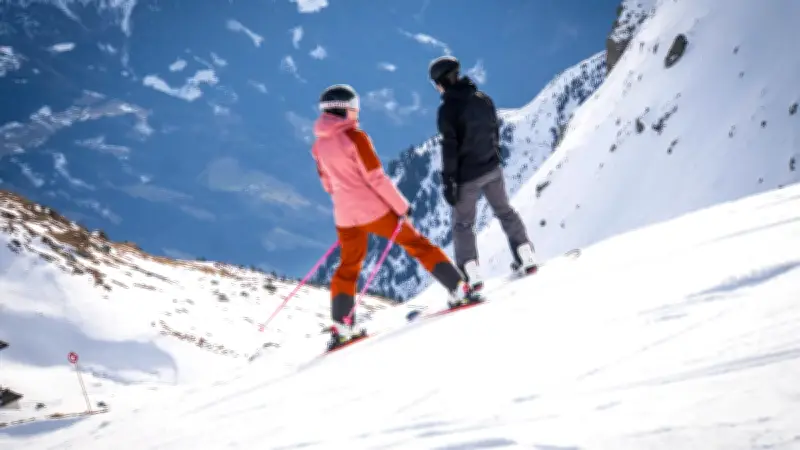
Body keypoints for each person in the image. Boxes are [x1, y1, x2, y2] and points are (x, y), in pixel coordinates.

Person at [310, 84, 481, 347]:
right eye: (354, 106)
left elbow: (328, 185)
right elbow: (376, 178)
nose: (357, 111)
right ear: (346, 108)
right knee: (418, 245)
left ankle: (342, 326)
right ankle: (459, 289)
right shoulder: (356, 138)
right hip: (374, 211)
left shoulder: (319, 147)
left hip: (344, 215)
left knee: (348, 267)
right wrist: (402, 207)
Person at [428, 55, 538, 292]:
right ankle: (525, 253)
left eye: (434, 82)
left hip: (467, 177)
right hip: (491, 168)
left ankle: (471, 274)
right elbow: (494, 132)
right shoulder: (482, 99)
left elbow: (450, 149)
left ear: (442, 82)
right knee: (505, 211)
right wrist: (494, 158)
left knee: (463, 225)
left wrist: (448, 181)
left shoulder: (447, 110)